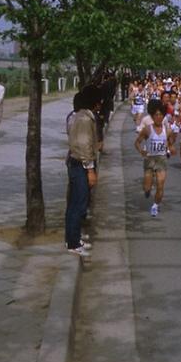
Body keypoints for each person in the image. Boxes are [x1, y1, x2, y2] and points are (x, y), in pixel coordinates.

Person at [65, 86, 99, 257]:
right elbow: (85, 145)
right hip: (80, 165)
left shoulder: (78, 116)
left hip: (74, 162)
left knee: (73, 204)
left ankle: (72, 237)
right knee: (79, 204)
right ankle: (73, 243)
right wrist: (90, 170)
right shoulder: (86, 119)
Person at [134, 99, 175, 217]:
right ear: (152, 116)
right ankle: (147, 190)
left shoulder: (167, 130)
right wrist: (141, 151)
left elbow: (170, 142)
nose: (159, 117)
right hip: (150, 159)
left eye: (161, 115)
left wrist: (171, 148)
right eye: (156, 115)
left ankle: (155, 206)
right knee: (147, 187)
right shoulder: (147, 129)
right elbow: (137, 142)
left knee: (161, 184)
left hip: (161, 159)